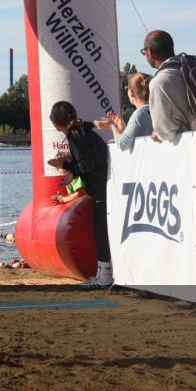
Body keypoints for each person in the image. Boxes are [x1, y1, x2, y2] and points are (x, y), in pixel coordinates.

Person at [47, 101, 111, 288]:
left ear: (56, 123)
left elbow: (86, 166)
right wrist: (70, 167)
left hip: (100, 188)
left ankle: (105, 276)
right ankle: (101, 274)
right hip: (103, 185)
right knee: (99, 231)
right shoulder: (84, 131)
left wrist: (65, 166)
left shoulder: (76, 136)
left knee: (101, 232)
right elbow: (88, 161)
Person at [140, 31, 190, 143]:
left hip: (189, 150)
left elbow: (164, 130)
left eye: (144, 52)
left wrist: (158, 134)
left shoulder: (159, 82)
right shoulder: (190, 67)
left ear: (149, 52)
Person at [94, 72, 153, 152]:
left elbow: (122, 145)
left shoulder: (139, 115)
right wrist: (122, 128)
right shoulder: (156, 111)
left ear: (131, 92)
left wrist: (113, 126)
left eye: (127, 89)